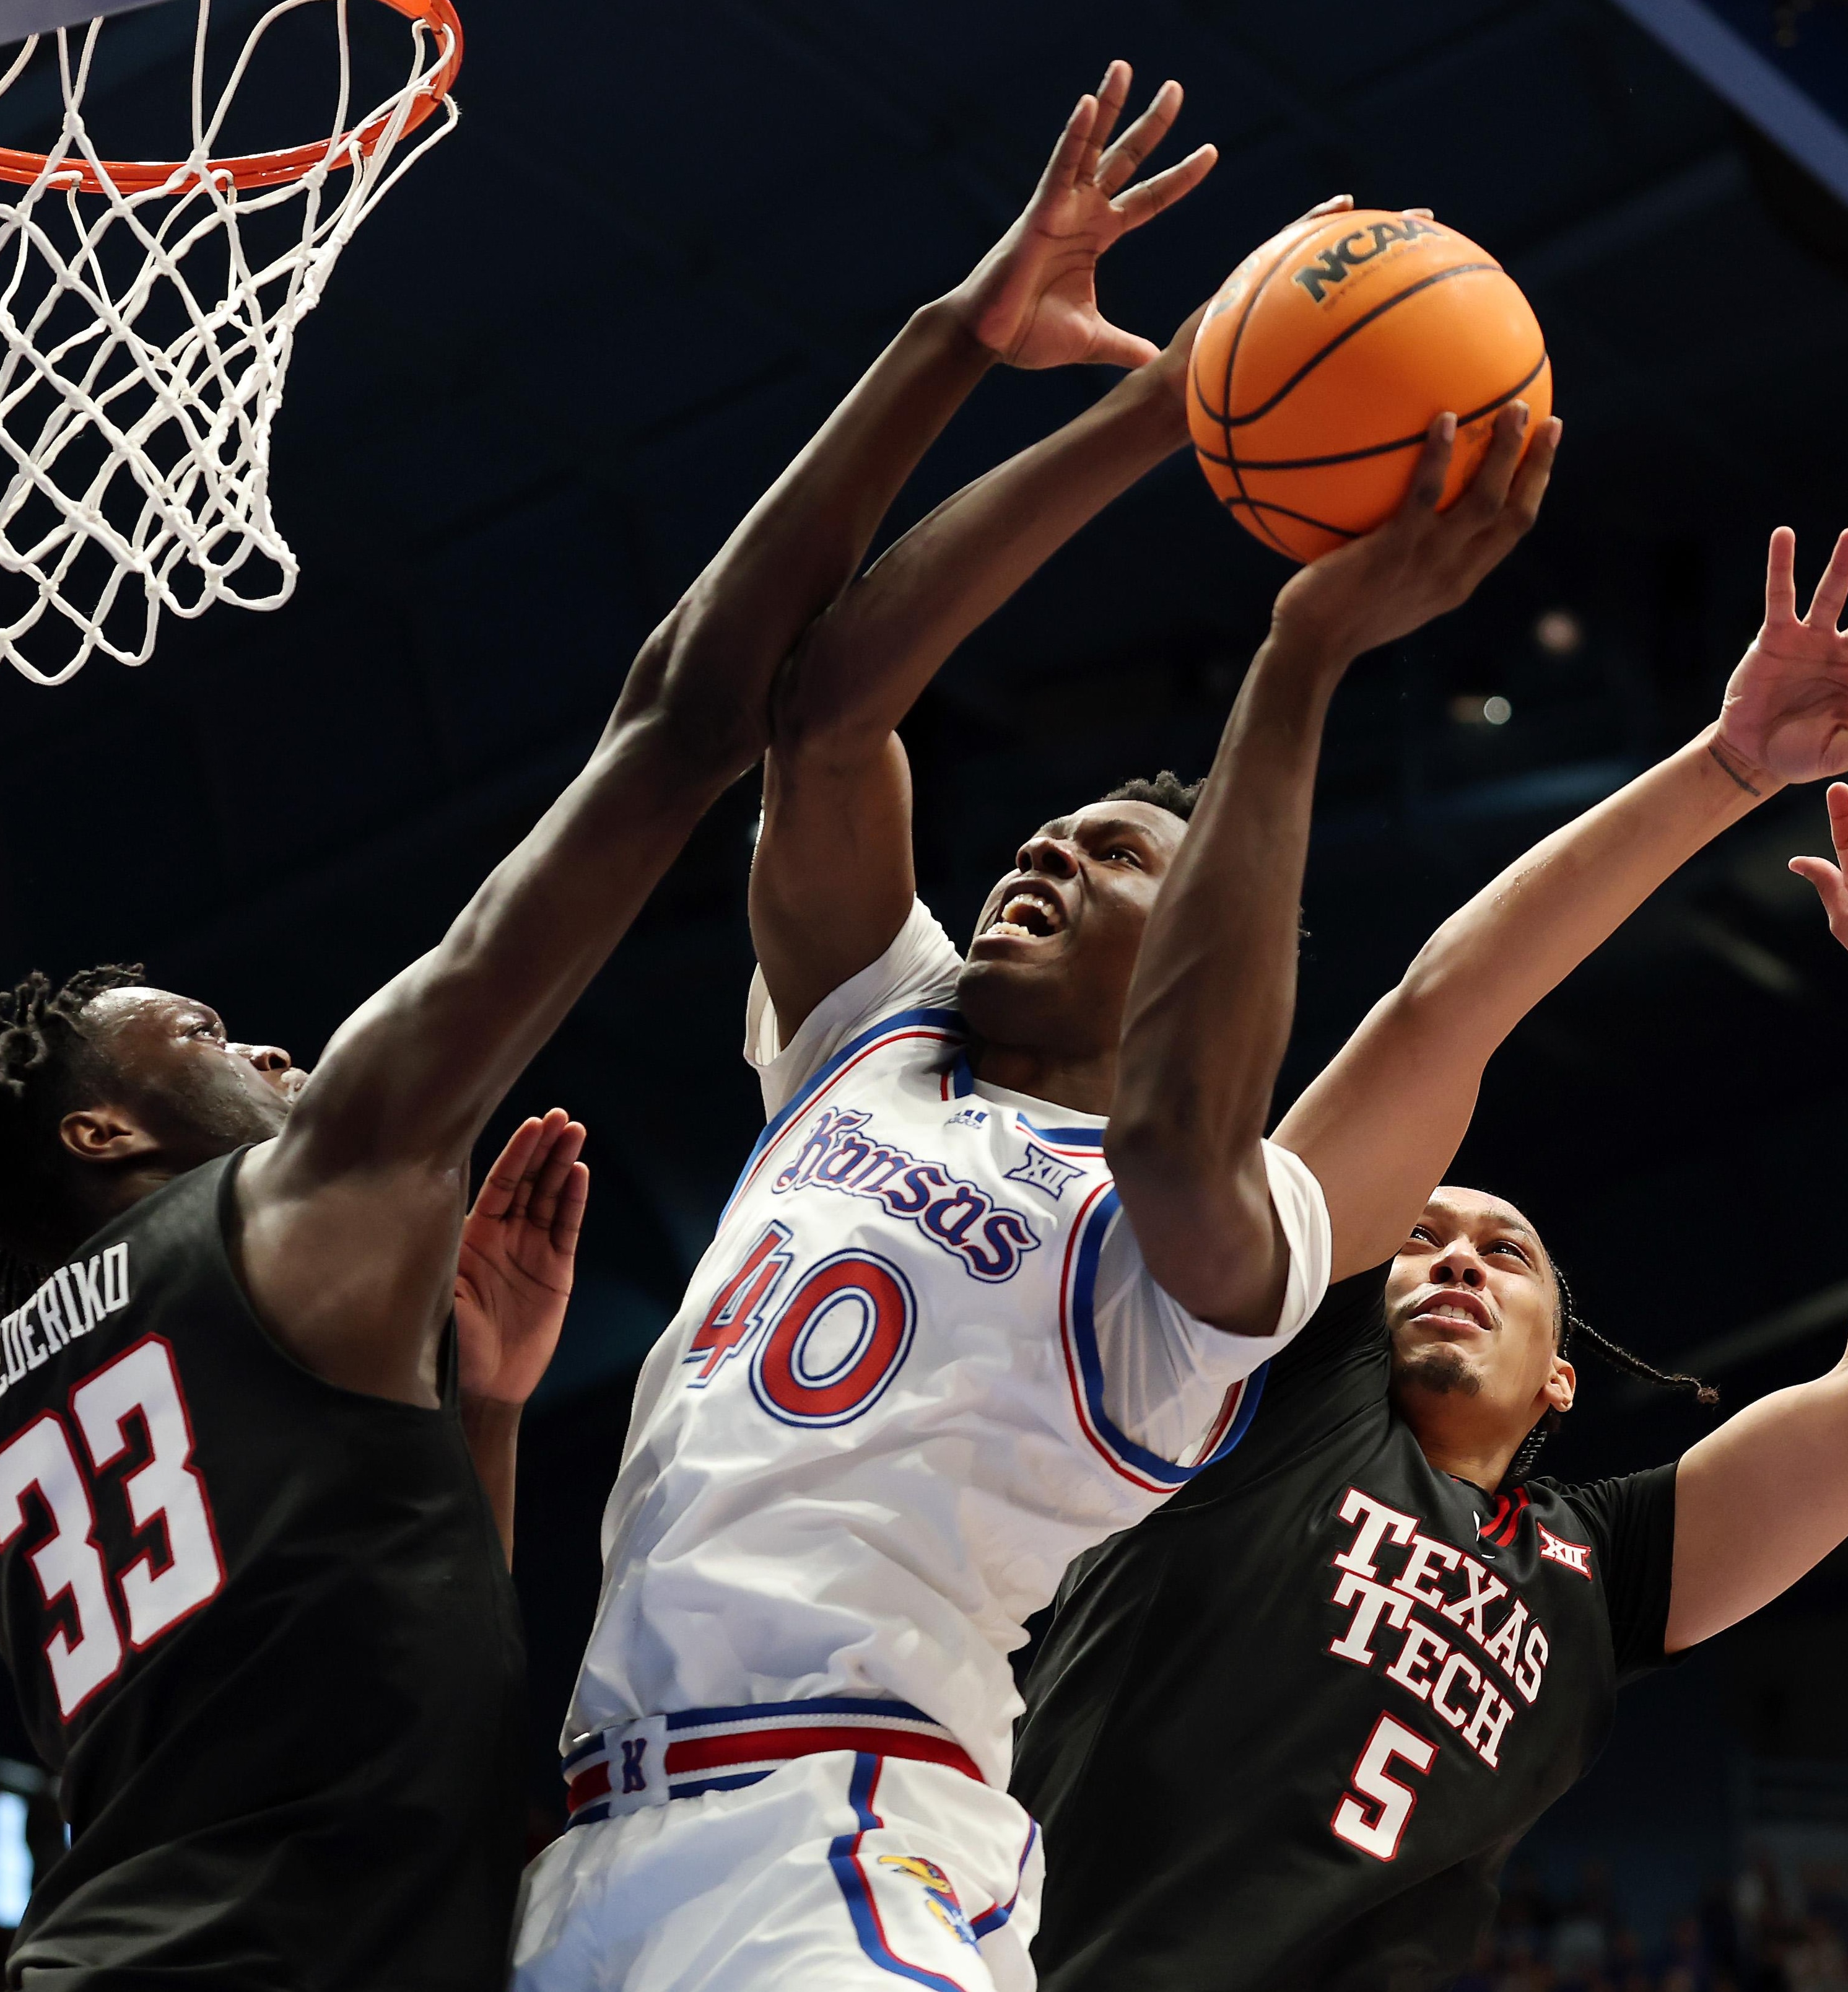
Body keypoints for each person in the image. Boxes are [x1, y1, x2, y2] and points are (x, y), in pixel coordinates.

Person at [0, 64, 1216, 1991]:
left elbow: (372, 1693)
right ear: (102, 1132)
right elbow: (683, 715)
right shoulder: (308, 1196)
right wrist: (957, 337)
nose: (275, 1054)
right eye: (204, 1033)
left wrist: (481, 1415)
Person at [514, 179, 1567, 1982]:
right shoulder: (875, 1032)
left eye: (1118, 858)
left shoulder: (1178, 1249)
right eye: (1046, 835)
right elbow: (826, 712)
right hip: (594, 1846)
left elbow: (1232, 1097)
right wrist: (1166, 406)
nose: (1046, 853)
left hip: (838, 1848)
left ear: (1196, 949)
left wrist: (1299, 660)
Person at [1008, 532, 1848, 1992]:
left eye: (1503, 1251)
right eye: (1418, 1239)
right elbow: (1444, 1013)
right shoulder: (1272, 1388)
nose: (1455, 1259)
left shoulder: (1597, 1576)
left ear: (1563, 1381)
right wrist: (1726, 767)